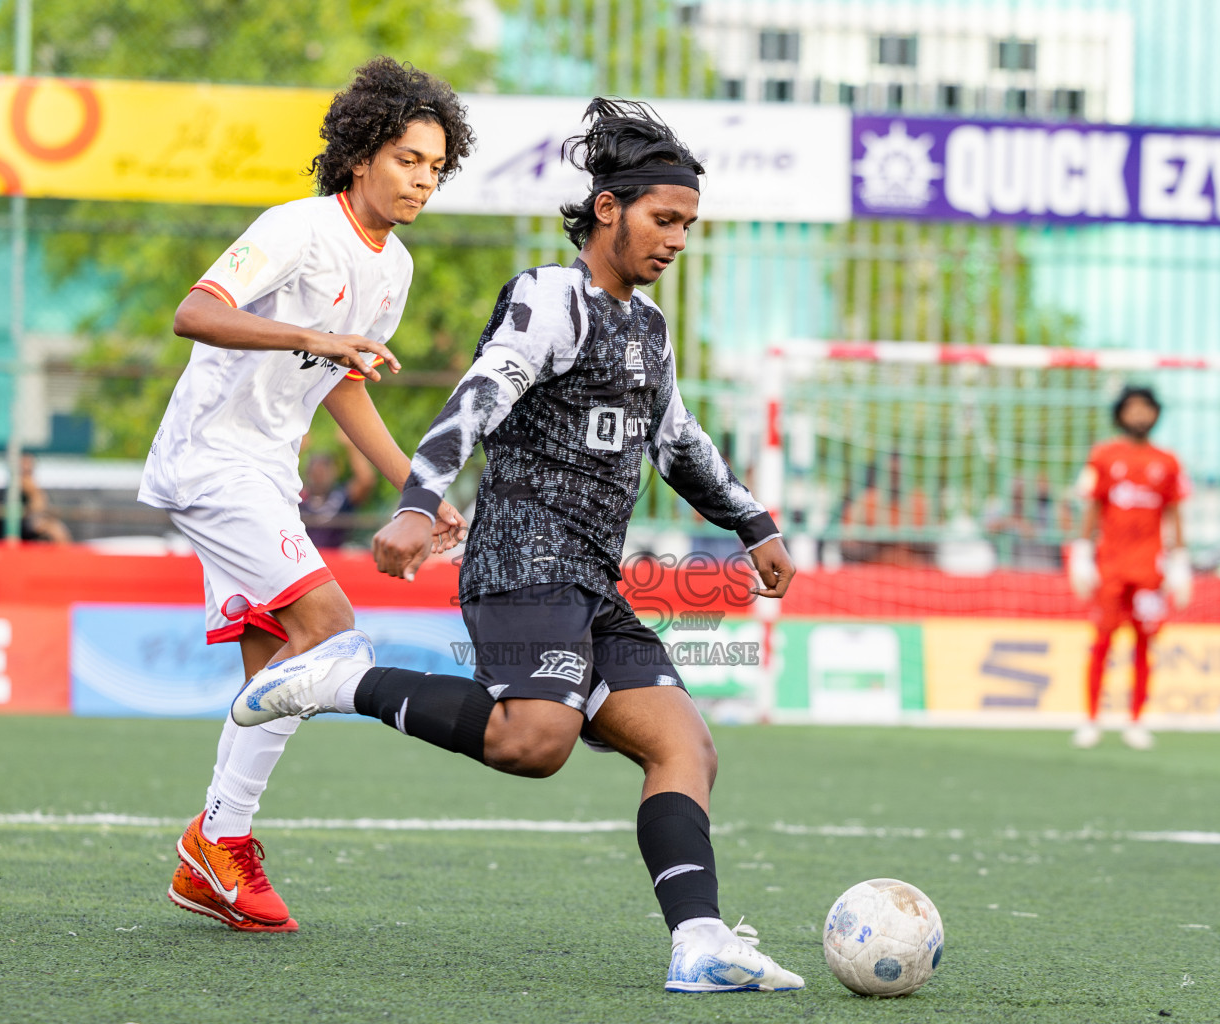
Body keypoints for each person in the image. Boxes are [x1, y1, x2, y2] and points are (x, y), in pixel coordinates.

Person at [231, 98, 805, 993]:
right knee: (535, 743)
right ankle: (337, 680)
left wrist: (754, 524)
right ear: (608, 208)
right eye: (664, 219)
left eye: (687, 226)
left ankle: (699, 943)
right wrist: (419, 502)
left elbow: (679, 442)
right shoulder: (549, 297)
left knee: (685, 746)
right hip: (521, 562)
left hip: (593, 581)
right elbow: (477, 398)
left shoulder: (649, 329)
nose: (676, 240)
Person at [138, 58, 472, 933]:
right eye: (408, 159)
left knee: (273, 669)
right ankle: (215, 841)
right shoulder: (298, 227)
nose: (423, 180)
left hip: (267, 475)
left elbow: (342, 386)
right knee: (326, 626)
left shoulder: (395, 268)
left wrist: (417, 488)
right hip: (212, 460)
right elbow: (194, 312)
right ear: (361, 155)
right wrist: (316, 336)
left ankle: (217, 847)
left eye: (436, 168)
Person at [1067, 386, 1191, 751]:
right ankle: (1091, 719)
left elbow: (1174, 511)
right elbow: (1092, 505)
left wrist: (1180, 561)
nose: (1139, 415)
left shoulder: (1168, 462)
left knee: (1144, 644)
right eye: (1132, 408)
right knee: (1102, 641)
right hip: (1111, 567)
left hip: (1149, 570)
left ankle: (1136, 720)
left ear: (1156, 414)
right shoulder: (1103, 456)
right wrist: (1082, 550)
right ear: (1120, 414)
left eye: (1146, 408)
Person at [0, 453, 72, 543]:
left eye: (29, 472)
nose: (25, 478)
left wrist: (36, 496)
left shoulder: (40, 494)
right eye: (22, 472)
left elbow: (50, 521)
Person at [299, 446, 375, 550]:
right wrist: (295, 448)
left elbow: (366, 481)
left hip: (336, 556)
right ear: (308, 473)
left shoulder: (341, 496)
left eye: (324, 471)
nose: (319, 475)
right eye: (315, 471)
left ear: (334, 472)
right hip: (303, 554)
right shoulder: (298, 498)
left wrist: (351, 446)